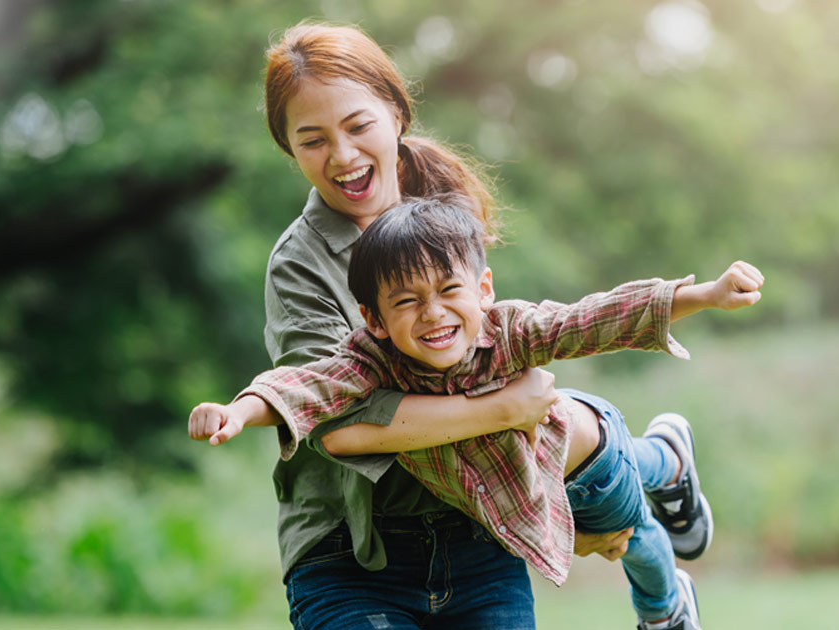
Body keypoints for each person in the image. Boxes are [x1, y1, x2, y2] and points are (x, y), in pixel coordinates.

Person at [221, 21, 710, 629]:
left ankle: (659, 480)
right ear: (288, 148)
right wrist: (508, 410)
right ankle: (661, 466)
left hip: (474, 518)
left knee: (585, 438)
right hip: (354, 543)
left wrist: (692, 297)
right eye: (312, 139)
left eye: (357, 126)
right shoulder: (300, 263)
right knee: (555, 418)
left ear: (396, 114)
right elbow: (338, 419)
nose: (342, 156)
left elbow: (535, 336)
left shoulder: (443, 214)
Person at [190, 198, 765, 630]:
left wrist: (705, 294)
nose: (433, 313)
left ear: (484, 287)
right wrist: (240, 411)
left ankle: (665, 588)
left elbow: (593, 318)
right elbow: (308, 386)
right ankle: (663, 470)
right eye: (408, 301)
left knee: (631, 532)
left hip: (576, 465)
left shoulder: (511, 330)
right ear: (375, 319)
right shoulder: (371, 361)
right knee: (626, 530)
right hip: (507, 505)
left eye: (448, 290)